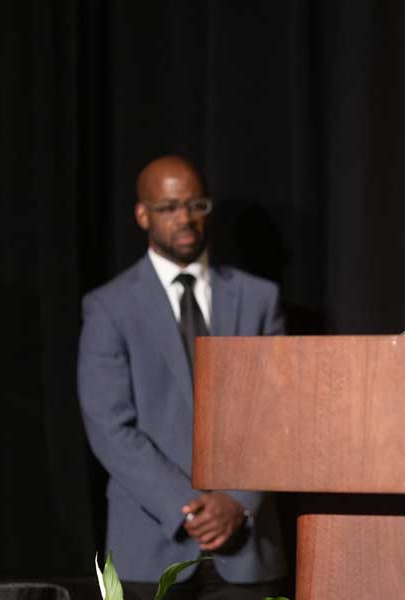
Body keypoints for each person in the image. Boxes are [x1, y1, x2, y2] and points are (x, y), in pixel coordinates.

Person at [78, 156, 288, 599]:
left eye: (196, 205)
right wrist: (189, 508)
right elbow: (109, 427)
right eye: (170, 207)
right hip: (150, 546)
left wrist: (237, 502)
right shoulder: (109, 307)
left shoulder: (258, 298)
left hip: (247, 548)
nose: (186, 218)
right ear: (142, 215)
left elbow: (278, 413)